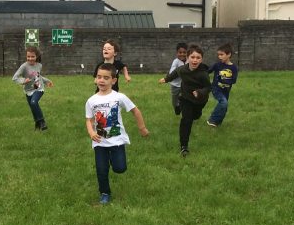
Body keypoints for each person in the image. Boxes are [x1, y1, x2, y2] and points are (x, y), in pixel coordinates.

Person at [85, 63, 149, 204]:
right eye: (99, 77)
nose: (102, 80)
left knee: (120, 168)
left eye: (106, 78)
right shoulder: (91, 100)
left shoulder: (119, 97)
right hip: (100, 142)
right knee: (101, 170)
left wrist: (142, 128)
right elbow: (89, 119)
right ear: (95, 79)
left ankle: (114, 159)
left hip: (117, 140)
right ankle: (105, 193)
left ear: (113, 81)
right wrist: (91, 132)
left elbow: (135, 111)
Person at [159, 44, 211, 157]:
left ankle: (195, 113)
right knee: (186, 120)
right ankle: (184, 146)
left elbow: (208, 87)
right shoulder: (183, 69)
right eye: (192, 57)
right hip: (186, 98)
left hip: (200, 101)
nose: (195, 60)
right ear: (187, 58)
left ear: (201, 59)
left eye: (198, 58)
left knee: (195, 116)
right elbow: (176, 72)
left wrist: (200, 92)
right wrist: (166, 79)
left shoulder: (203, 74)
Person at [12, 46, 53, 131]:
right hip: (28, 90)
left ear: (36, 56)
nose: (30, 58)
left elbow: (38, 76)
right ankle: (37, 125)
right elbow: (14, 78)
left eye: (32, 56)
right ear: (26, 56)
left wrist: (47, 81)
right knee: (33, 108)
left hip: (38, 88)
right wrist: (23, 80)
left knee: (34, 102)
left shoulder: (39, 65)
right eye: (28, 56)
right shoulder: (24, 66)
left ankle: (42, 122)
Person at [206, 43, 239, 127]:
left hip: (226, 91)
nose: (219, 57)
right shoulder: (217, 65)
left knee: (224, 107)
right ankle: (212, 120)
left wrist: (224, 80)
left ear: (229, 54)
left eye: (221, 54)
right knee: (223, 102)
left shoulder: (234, 68)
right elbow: (207, 71)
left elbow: (233, 80)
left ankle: (217, 123)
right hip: (216, 88)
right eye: (218, 55)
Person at [166, 42, 188, 115]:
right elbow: (172, 72)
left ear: (187, 53)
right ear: (177, 53)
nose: (182, 54)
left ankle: (185, 109)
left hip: (185, 85)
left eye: (184, 52)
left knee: (186, 98)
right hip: (175, 85)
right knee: (175, 100)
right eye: (180, 52)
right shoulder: (175, 61)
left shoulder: (189, 60)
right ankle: (176, 107)